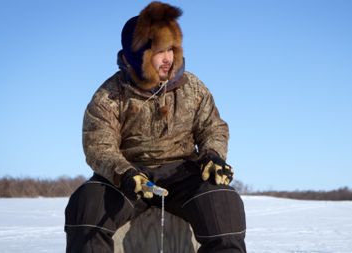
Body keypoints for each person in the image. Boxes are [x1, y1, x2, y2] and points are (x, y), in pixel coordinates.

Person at [64, 1, 247, 253]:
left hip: (184, 172)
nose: (169, 59)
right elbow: (99, 144)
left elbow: (212, 127)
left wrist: (212, 156)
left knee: (223, 202)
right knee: (87, 205)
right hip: (129, 177)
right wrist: (125, 174)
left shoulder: (193, 87)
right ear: (138, 53)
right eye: (161, 51)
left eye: (173, 49)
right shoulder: (110, 95)